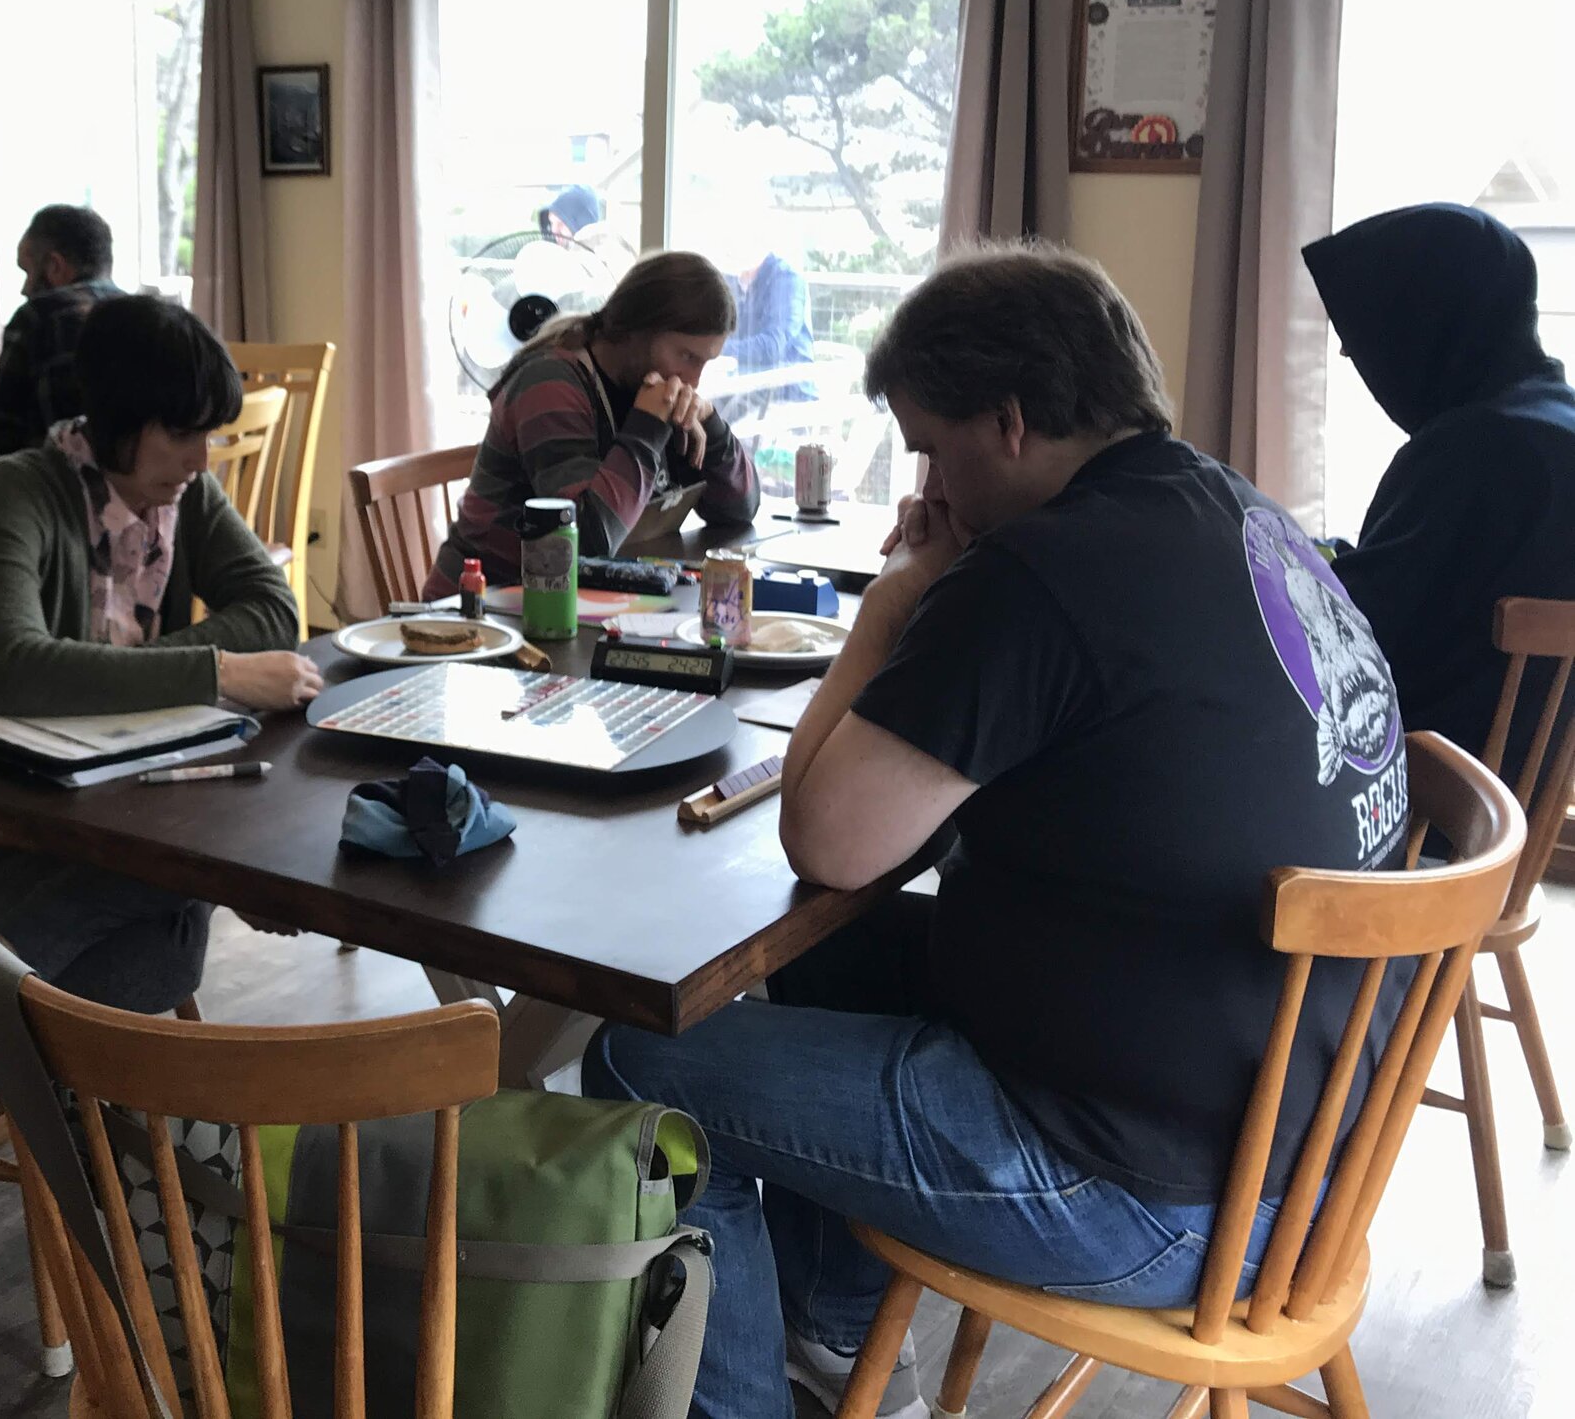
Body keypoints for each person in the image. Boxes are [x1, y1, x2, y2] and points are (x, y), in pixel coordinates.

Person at [584, 244, 1409, 1419]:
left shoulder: (1040, 571)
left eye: (930, 446)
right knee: (830, 957)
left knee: (638, 1066)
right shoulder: (1236, 510)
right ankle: (839, 1338)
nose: (932, 483)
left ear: (1008, 423)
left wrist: (899, 594)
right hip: (1300, 1140)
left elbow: (827, 841)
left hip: (1154, 1196)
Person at [0, 295, 316, 1092]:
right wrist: (216, 670)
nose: (202, 459)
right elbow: (19, 670)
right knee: (187, 879)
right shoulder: (11, 494)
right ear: (119, 420)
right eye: (183, 433)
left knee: (175, 932)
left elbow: (274, 609)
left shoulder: (181, 496)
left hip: (107, 807)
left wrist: (115, 671)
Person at [1306, 203, 1575, 760]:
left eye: (1367, 335)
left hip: (1424, 789)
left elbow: (1353, 632)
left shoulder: (1479, 446)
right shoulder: (1555, 424)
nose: (1351, 353)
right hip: (1523, 788)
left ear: (1424, 325)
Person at [426, 250, 758, 596]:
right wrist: (647, 428)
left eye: (705, 362)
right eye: (687, 356)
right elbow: (583, 543)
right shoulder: (549, 382)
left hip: (588, 599)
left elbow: (740, 511)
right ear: (637, 330)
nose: (694, 380)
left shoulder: (660, 389)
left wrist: (711, 425)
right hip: (487, 603)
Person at [0, 203, 125, 457]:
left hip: (59, 480)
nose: (24, 289)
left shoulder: (38, 318)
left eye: (27, 271)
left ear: (55, 266)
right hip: (141, 481)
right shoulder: (150, 318)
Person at [722, 250, 814, 406]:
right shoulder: (738, 282)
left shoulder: (786, 278)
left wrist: (717, 349)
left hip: (786, 397)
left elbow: (773, 345)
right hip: (747, 391)